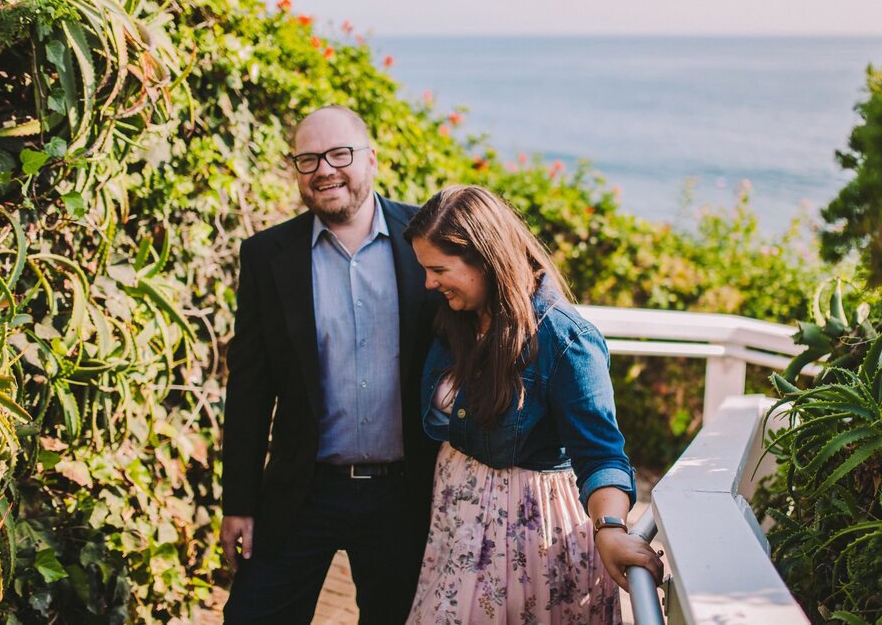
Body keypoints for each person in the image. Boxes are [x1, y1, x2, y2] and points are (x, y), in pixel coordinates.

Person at [403, 185, 664, 624]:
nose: (428, 283)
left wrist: (611, 530)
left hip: (527, 538)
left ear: (485, 260)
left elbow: (602, 455)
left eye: (438, 269)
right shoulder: (457, 318)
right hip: (456, 523)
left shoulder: (565, 339)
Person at [220, 105, 438, 623]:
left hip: (404, 495)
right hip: (303, 491)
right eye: (308, 158)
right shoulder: (267, 256)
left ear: (371, 160)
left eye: (340, 154)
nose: (324, 169)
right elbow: (249, 391)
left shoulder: (426, 238)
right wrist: (238, 504)